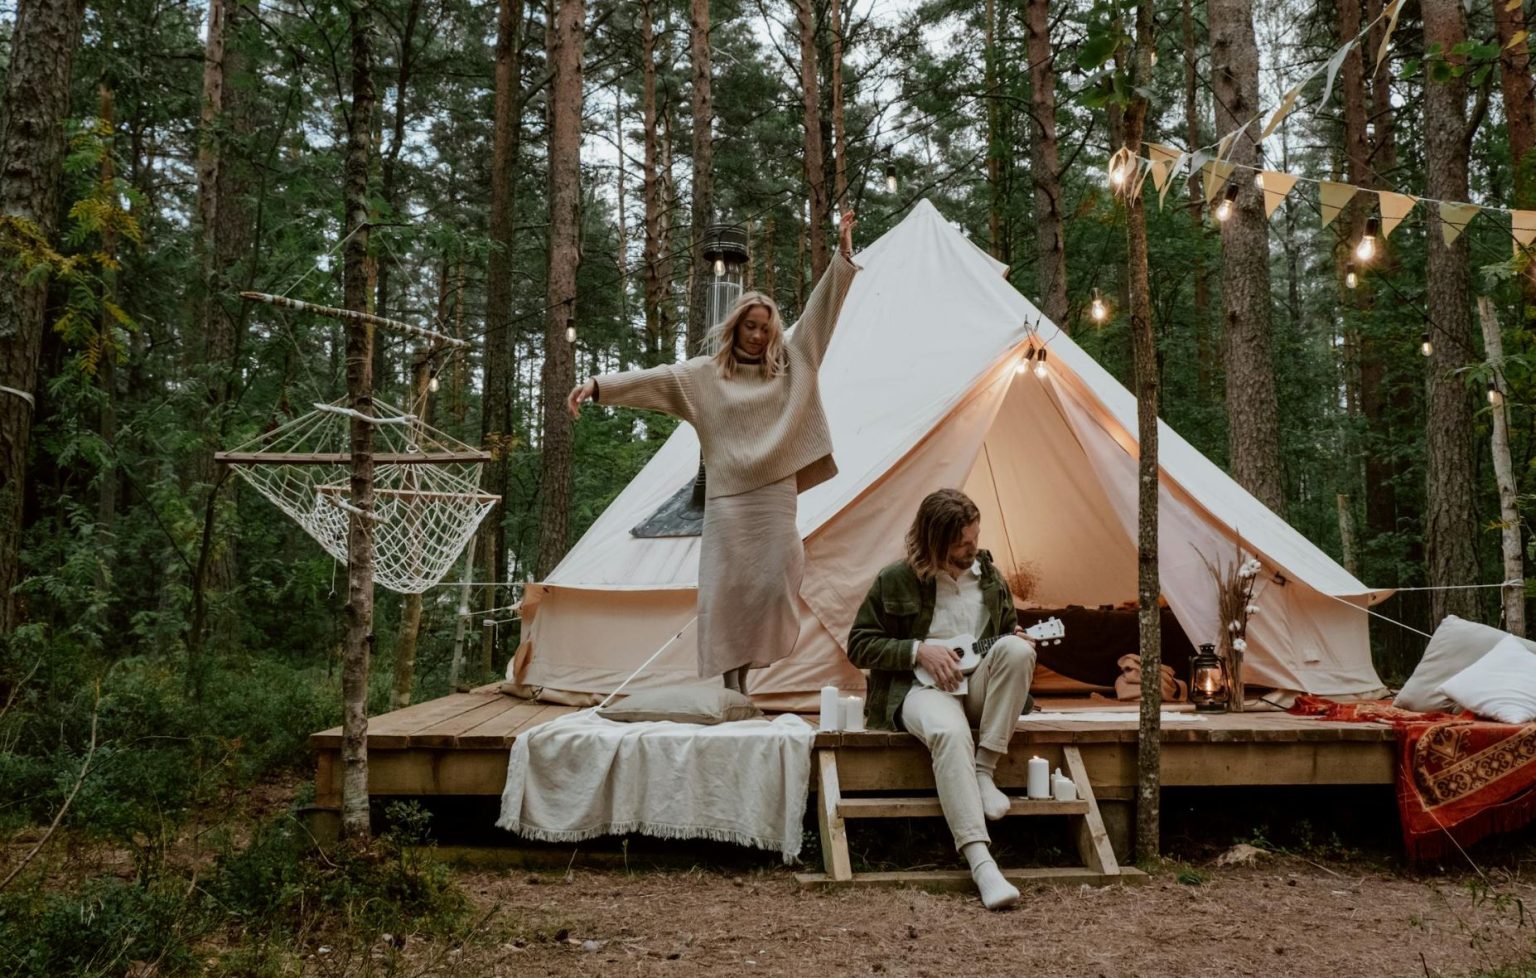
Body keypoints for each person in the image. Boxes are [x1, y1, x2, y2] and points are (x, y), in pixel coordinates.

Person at [568, 211, 859, 693]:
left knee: (772, 584)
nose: (759, 335)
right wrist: (599, 387)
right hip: (729, 501)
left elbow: (822, 310)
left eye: (767, 327)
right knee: (728, 592)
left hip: (774, 496)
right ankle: (732, 687)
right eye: (751, 326)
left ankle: (747, 675)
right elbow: (655, 380)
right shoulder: (706, 376)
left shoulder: (793, 363)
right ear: (736, 327)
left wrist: (842, 256)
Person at [846, 488, 1038, 910]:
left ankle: (984, 770)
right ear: (935, 540)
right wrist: (918, 651)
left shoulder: (989, 578)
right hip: (920, 690)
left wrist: (1017, 637)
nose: (973, 549)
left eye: (975, 538)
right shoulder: (895, 578)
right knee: (949, 735)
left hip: (978, 691)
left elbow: (1007, 631)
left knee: (1019, 649)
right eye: (962, 543)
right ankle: (982, 863)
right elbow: (859, 644)